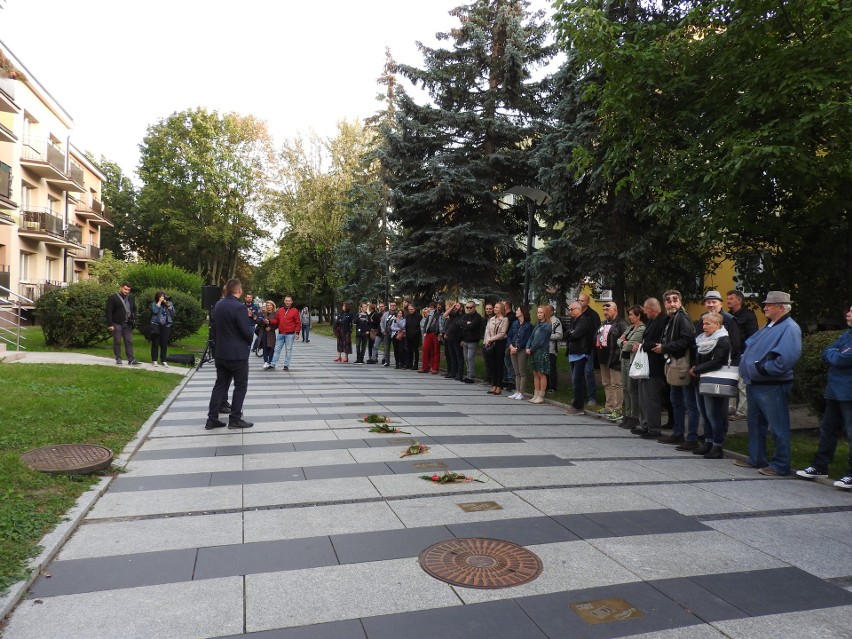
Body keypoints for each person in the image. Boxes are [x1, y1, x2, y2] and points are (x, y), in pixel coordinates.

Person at [736, 291, 802, 476]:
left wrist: (762, 369)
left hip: (771, 384)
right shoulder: (770, 325)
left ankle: (781, 465)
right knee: (755, 423)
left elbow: (787, 358)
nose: (764, 307)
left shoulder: (789, 327)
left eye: (769, 305)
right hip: (756, 382)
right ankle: (756, 458)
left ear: (782, 307)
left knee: (777, 426)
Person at [796, 305, 852, 489]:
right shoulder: (847, 334)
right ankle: (820, 466)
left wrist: (836, 354)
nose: (848, 313)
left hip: (848, 392)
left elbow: (841, 359)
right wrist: (835, 353)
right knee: (828, 429)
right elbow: (828, 351)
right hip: (834, 390)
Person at [205, 279, 254, 430]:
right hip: (237, 354)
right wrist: (251, 332)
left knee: (220, 385)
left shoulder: (218, 304)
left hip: (221, 352)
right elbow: (246, 332)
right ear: (239, 291)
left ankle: (212, 419)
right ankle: (235, 419)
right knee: (240, 386)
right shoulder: (239, 307)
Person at [654, 290, 698, 447]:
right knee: (676, 400)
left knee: (689, 402)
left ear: (680, 301)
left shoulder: (682, 318)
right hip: (673, 363)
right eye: (668, 300)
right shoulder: (671, 319)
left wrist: (665, 347)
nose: (671, 303)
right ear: (664, 303)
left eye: (675, 300)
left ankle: (691, 438)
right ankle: (678, 433)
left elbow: (688, 340)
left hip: (683, 364)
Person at [690, 312, 731, 459]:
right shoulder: (703, 340)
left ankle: (717, 445)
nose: (704, 326)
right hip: (700, 380)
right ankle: (708, 441)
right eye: (703, 323)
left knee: (713, 414)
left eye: (708, 324)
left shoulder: (722, 340)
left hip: (714, 381)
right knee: (705, 414)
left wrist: (697, 369)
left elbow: (718, 361)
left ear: (718, 325)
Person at [634, 298, 667, 438]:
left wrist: (642, 346)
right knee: (643, 397)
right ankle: (645, 424)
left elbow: (658, 343)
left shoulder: (663, 321)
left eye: (646, 310)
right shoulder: (652, 321)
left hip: (655, 365)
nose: (645, 313)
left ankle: (654, 428)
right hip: (646, 364)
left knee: (652, 397)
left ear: (652, 309)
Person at [727, 289, 759, 420]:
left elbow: (753, 336)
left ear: (739, 300)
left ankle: (742, 412)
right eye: (728, 298)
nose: (728, 301)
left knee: (742, 385)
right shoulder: (730, 316)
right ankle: (731, 409)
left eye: (731, 298)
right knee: (732, 382)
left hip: (743, 354)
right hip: (732, 354)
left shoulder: (748, 316)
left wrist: (746, 354)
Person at [596, 301, 627, 418]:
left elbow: (624, 341)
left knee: (616, 384)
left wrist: (617, 355)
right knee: (606, 383)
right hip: (603, 358)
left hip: (614, 359)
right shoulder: (603, 323)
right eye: (604, 310)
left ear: (615, 310)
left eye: (607, 310)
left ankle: (617, 409)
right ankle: (608, 407)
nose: (605, 312)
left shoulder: (621, 324)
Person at [617, 305, 646, 429]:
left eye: (632, 315)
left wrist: (623, 342)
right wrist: (623, 342)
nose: (629, 317)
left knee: (631, 388)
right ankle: (627, 414)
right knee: (625, 388)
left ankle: (634, 416)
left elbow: (629, 345)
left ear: (638, 315)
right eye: (629, 315)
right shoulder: (629, 328)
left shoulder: (641, 328)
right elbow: (618, 340)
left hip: (632, 361)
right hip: (623, 359)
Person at [566, 301, 595, 415]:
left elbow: (575, 335)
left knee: (577, 379)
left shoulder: (584, 320)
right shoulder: (574, 321)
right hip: (573, 353)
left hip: (581, 353)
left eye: (571, 309)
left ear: (578, 309)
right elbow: (567, 334)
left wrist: (571, 333)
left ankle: (578, 406)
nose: (570, 311)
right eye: (569, 309)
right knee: (576, 380)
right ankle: (577, 403)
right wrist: (570, 332)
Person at [106, 282, 140, 366]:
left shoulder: (131, 298)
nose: (127, 291)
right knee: (117, 341)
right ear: (121, 288)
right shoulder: (113, 298)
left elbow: (134, 309)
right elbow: (108, 312)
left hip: (128, 324)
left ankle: (131, 359)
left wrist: (133, 317)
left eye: (128, 290)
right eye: (125, 289)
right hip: (117, 323)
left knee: (129, 341)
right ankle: (118, 358)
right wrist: (110, 324)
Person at [578, 293, 601, 408]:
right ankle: (580, 396)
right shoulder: (577, 314)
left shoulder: (593, 315)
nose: (580, 302)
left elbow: (596, 332)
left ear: (587, 302)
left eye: (582, 300)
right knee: (578, 372)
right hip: (577, 348)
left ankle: (592, 397)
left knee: (588, 372)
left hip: (588, 348)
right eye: (579, 300)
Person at [527, 305, 553, 404]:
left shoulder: (547, 326)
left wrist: (531, 349)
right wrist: (528, 347)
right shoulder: (537, 325)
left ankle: (541, 395)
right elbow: (531, 337)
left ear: (545, 314)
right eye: (538, 312)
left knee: (541, 373)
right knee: (535, 373)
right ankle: (535, 394)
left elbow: (539, 341)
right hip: (533, 351)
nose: (539, 314)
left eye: (541, 312)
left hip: (541, 352)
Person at [483, 302, 509, 394]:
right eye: (494, 307)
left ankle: (499, 385)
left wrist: (491, 339)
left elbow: (502, 333)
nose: (494, 308)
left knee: (499, 364)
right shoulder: (491, 319)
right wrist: (487, 339)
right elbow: (487, 330)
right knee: (492, 364)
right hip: (491, 343)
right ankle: (494, 384)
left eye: (497, 307)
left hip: (499, 343)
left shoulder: (504, 319)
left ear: (501, 309)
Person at [508, 305, 533, 399]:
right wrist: (511, 346)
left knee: (522, 371)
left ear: (523, 312)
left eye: (518, 310)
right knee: (516, 371)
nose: (516, 311)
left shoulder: (528, 325)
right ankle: (517, 390)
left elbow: (527, 339)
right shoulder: (515, 323)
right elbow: (509, 335)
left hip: (521, 350)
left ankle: (521, 392)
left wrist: (517, 348)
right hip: (512, 349)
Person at [270, 295, 300, 371]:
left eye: (289, 301)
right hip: (281, 333)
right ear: (284, 301)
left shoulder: (295, 311)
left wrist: (297, 333)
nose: (287, 302)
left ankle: (286, 365)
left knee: (288, 350)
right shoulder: (280, 310)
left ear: (291, 302)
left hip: (290, 334)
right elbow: (277, 320)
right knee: (277, 349)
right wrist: (270, 321)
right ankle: (273, 364)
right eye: (286, 300)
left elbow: (297, 322)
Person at [149, 291, 176, 367]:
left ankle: (163, 360)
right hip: (156, 325)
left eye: (164, 296)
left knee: (164, 343)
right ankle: (154, 360)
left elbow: (173, 312)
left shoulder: (169, 303)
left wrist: (169, 306)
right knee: (155, 343)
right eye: (161, 296)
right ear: (158, 297)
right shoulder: (155, 304)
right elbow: (155, 311)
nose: (163, 298)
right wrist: (159, 302)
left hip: (166, 325)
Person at [460, 301, 482, 383]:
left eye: (470, 307)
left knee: (470, 358)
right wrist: (466, 324)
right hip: (465, 340)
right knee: (466, 358)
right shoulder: (466, 316)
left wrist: (466, 325)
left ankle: (471, 376)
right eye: (467, 307)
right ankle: (468, 375)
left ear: (474, 307)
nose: (469, 309)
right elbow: (459, 323)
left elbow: (472, 326)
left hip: (473, 340)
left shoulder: (478, 317)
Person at [443, 302, 464, 380]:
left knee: (459, 357)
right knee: (452, 357)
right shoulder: (453, 315)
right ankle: (453, 372)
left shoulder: (463, 316)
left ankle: (460, 373)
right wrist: (452, 307)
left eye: (458, 306)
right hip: (450, 338)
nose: (456, 307)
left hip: (458, 338)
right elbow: (445, 315)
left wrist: (463, 339)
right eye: (456, 306)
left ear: (461, 308)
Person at [420, 302, 441, 374]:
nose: (430, 308)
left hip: (435, 333)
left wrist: (439, 332)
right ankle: (424, 367)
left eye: (433, 307)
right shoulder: (431, 313)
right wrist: (424, 331)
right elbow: (426, 322)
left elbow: (440, 323)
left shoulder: (441, 314)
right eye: (430, 307)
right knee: (425, 349)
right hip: (428, 332)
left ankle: (434, 367)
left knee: (435, 351)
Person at [547, 305, 563, 393]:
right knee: (545, 368)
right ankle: (546, 385)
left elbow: (559, 335)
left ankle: (553, 386)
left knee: (552, 367)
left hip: (552, 348)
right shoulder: (544, 320)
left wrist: (547, 336)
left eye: (547, 310)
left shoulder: (556, 321)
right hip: (544, 348)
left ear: (552, 311)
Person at [258, 300, 278, 369]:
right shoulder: (263, 313)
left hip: (271, 333)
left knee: (271, 347)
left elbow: (277, 323)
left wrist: (271, 328)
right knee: (265, 347)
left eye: (270, 305)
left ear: (273, 306)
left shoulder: (275, 314)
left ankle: (270, 361)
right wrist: (263, 322)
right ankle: (266, 361)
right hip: (264, 332)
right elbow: (259, 322)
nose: (269, 307)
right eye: (268, 305)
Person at [405, 303, 422, 370]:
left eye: (412, 309)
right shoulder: (407, 316)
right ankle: (410, 363)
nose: (410, 310)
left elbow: (419, 326)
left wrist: (415, 333)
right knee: (409, 350)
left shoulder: (418, 316)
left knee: (415, 350)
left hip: (415, 336)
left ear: (414, 309)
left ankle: (416, 364)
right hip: (408, 335)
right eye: (409, 309)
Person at [380, 301, 397, 367]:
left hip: (394, 333)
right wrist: (383, 330)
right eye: (391, 305)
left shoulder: (397, 313)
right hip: (386, 333)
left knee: (396, 348)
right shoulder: (386, 314)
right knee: (386, 348)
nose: (392, 306)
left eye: (394, 305)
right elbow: (381, 322)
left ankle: (397, 362)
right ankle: (387, 361)